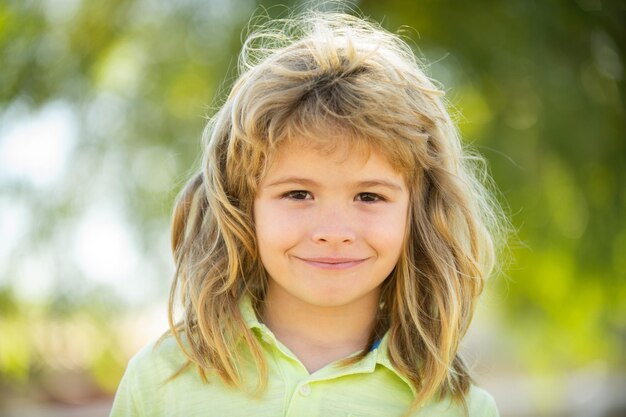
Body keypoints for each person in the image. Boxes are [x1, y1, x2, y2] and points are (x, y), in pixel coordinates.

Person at [110, 10, 506, 417]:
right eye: (298, 194)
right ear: (244, 207)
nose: (333, 232)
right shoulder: (161, 383)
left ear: (417, 214)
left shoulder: (460, 409)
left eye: (369, 197)